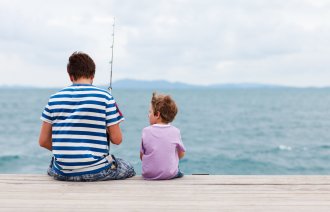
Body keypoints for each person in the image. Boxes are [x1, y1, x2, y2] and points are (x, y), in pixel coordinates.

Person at [38, 51, 135, 181]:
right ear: (93, 75)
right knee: (128, 167)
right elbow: (117, 139)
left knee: (52, 165)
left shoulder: (54, 99)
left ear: (70, 76)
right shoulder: (106, 97)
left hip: (62, 173)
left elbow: (43, 141)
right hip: (96, 172)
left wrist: (68, 153)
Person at [140, 92, 186, 180]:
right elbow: (181, 154)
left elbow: (142, 157)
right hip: (169, 174)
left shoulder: (146, 131)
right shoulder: (175, 131)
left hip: (148, 174)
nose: (148, 115)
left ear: (157, 114)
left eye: (150, 112)